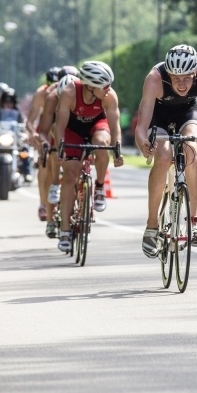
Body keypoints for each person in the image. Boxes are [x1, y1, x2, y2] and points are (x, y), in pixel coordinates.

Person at [134, 44, 197, 258]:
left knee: (191, 150)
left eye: (187, 77)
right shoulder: (154, 78)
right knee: (164, 156)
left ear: (195, 71)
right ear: (168, 72)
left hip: (188, 112)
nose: (182, 83)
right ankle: (152, 225)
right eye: (176, 78)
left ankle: (193, 221)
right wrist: (144, 144)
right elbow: (141, 126)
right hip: (160, 116)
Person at [54, 61, 124, 252]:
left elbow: (114, 126)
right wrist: (61, 149)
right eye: (105, 85)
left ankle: (99, 187)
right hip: (72, 130)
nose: (109, 89)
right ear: (91, 85)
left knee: (102, 143)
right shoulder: (69, 92)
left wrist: (117, 150)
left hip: (97, 125)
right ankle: (66, 231)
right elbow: (59, 126)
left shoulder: (109, 97)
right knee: (69, 176)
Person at [37, 72, 79, 238]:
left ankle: (85, 203)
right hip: (57, 134)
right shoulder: (52, 97)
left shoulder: (79, 96)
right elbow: (46, 129)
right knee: (53, 157)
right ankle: (50, 220)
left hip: (75, 130)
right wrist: (45, 144)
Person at [26, 67, 62, 222]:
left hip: (64, 128)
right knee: (45, 165)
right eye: (51, 85)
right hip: (46, 130)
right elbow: (30, 120)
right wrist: (33, 133)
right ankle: (43, 203)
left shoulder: (69, 91)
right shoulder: (41, 94)